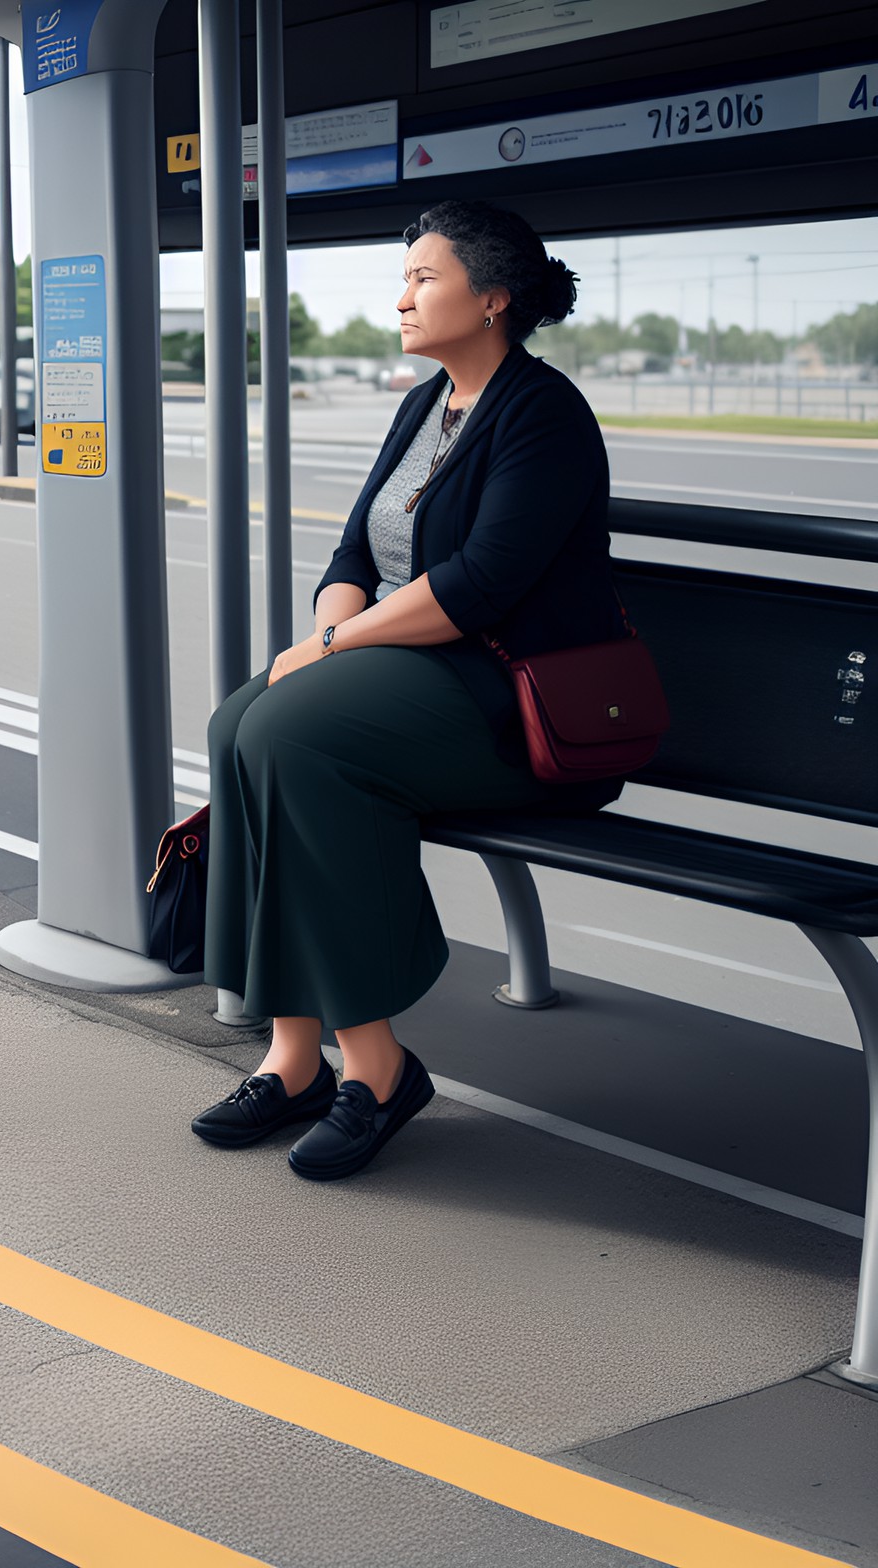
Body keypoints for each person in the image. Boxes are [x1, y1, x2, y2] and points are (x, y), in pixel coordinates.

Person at [191, 199, 626, 1182]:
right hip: (416, 670)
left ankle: (379, 1067)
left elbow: (479, 586)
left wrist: (336, 643)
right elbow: (355, 549)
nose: (402, 298)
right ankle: (294, 1055)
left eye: (424, 279)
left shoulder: (542, 413)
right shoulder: (423, 403)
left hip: (510, 700)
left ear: (493, 298)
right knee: (239, 724)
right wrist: (328, 639)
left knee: (294, 738)